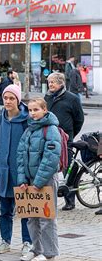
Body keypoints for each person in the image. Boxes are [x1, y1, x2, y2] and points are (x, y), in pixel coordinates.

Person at [0, 84, 32, 256]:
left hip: (21, 173)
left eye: (11, 98)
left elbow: (32, 144)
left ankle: (27, 242)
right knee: (5, 211)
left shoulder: (27, 119)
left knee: (25, 211)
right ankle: (5, 241)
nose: (7, 101)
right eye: (5, 98)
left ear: (18, 100)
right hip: (4, 172)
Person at [17, 98, 61, 261]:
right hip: (29, 181)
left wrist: (38, 183)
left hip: (45, 181)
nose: (33, 113)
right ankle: (36, 249)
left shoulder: (50, 130)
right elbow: (20, 156)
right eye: (30, 110)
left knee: (46, 218)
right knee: (32, 217)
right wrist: (22, 180)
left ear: (44, 110)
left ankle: (50, 253)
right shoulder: (29, 130)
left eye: (36, 109)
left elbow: (51, 159)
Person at [44, 72, 84, 211]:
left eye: (53, 82)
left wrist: (69, 134)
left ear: (61, 83)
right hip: (49, 138)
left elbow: (79, 120)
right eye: (49, 82)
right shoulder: (47, 97)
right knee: (48, 167)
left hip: (65, 139)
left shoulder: (72, 98)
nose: (50, 85)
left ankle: (70, 199)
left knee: (68, 167)